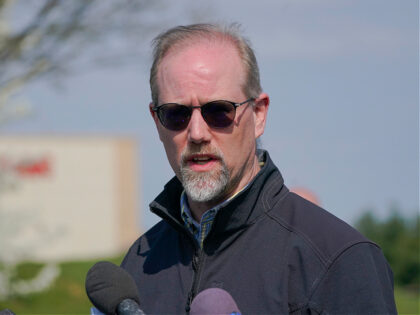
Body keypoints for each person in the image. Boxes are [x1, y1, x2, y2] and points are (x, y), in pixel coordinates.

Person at [121, 23, 397, 314]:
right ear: (156, 121)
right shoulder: (138, 266)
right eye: (177, 114)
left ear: (259, 114)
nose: (197, 133)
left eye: (219, 111)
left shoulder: (338, 261)